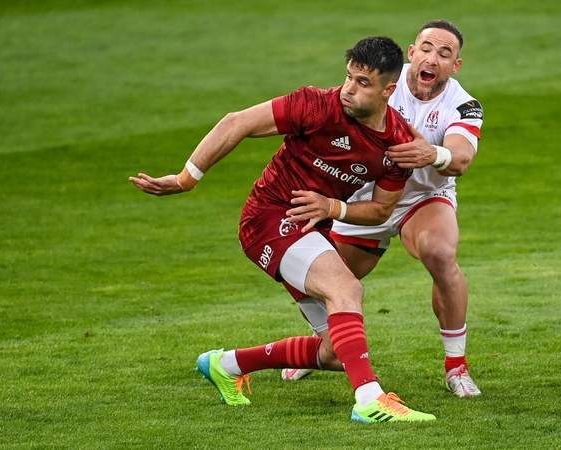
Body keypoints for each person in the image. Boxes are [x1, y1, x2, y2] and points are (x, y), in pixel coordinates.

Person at [130, 36, 436, 423]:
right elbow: (236, 122)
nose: (349, 89)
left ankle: (226, 365)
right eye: (348, 77)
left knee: (336, 352)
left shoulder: (399, 143)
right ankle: (370, 401)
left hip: (310, 229)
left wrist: (333, 207)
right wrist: (185, 179)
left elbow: (380, 211)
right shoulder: (316, 105)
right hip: (268, 218)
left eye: (363, 83)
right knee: (347, 289)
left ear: (388, 90)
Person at [280, 20, 484, 398]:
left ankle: (456, 366)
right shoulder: (381, 79)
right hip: (364, 201)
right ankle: (322, 345)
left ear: (456, 65)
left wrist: (433, 153)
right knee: (310, 276)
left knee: (440, 253)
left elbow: (460, 158)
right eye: (426, 48)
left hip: (421, 199)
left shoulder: (463, 104)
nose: (432, 58)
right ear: (411, 52)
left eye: (444, 53)